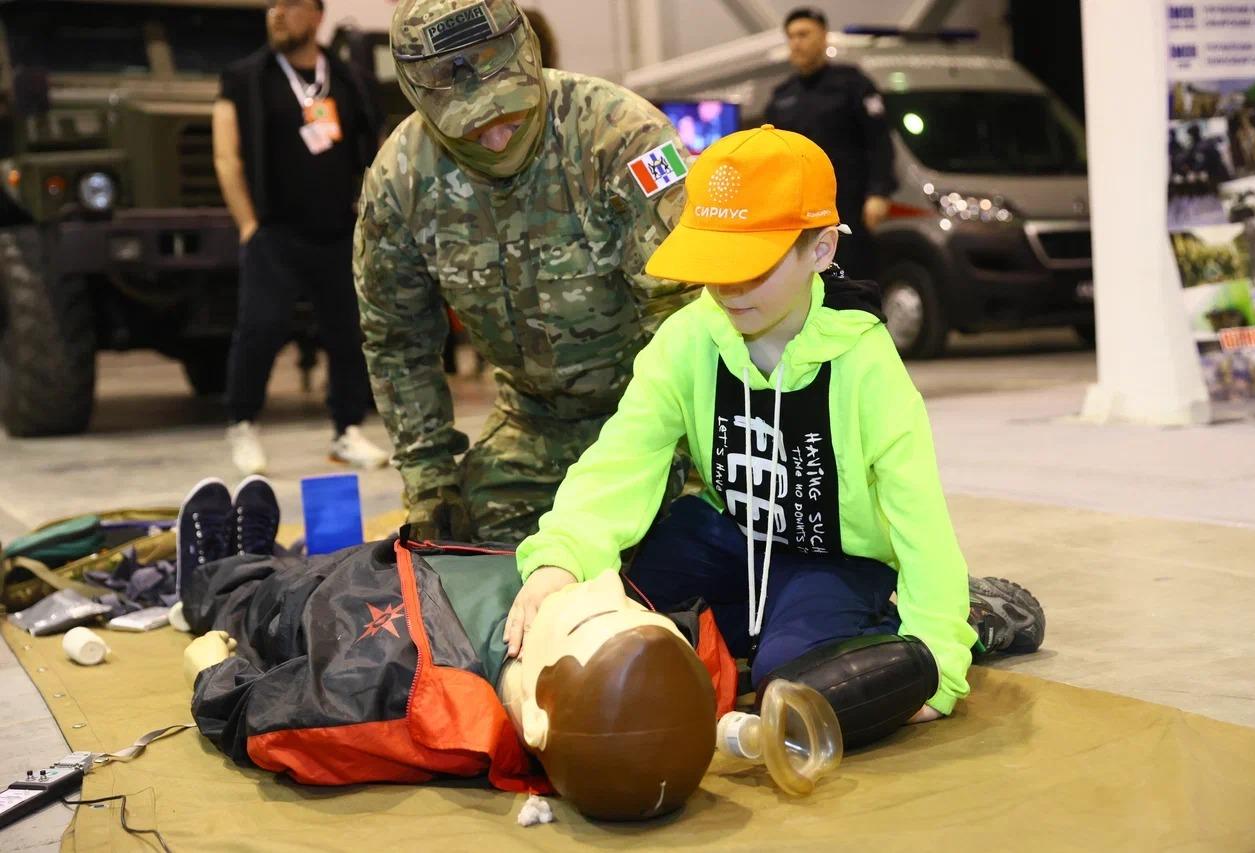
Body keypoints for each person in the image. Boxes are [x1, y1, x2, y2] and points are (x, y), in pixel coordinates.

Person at [509, 127, 1045, 747]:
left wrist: (941, 666)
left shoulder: (865, 362)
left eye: (751, 267)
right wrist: (559, 562)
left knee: (790, 688)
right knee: (622, 610)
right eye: (714, 265)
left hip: (833, 555)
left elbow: (918, 519)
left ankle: (963, 614)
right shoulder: (687, 340)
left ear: (818, 250)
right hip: (733, 534)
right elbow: (621, 462)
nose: (728, 289)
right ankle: (757, 628)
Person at [175, 477, 729, 820]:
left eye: (593, 616)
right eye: (634, 608)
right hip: (427, 559)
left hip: (331, 608)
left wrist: (213, 674)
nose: (608, 584)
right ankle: (255, 558)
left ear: (537, 717)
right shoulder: (676, 670)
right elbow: (700, 665)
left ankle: (212, 574)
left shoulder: (395, 700)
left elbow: (269, 725)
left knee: (253, 597)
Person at [353, 0, 697, 543]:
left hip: (660, 423)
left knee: (682, 567)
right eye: (469, 128)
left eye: (508, 116)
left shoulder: (621, 135)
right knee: (466, 567)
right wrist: (430, 483)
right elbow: (398, 343)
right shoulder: (400, 181)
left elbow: (687, 314)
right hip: (534, 426)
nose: (494, 139)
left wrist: (698, 464)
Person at [213, 0, 389, 475]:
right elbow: (226, 156)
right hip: (274, 231)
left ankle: (347, 429)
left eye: (288, 5)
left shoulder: (347, 78)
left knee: (346, 331)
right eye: (271, 6)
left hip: (336, 230)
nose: (275, 13)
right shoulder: (246, 77)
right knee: (260, 329)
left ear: (315, 14)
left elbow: (370, 147)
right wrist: (248, 224)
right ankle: (244, 422)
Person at [764, 7, 896, 281]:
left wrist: (879, 193)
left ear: (823, 37)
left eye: (803, 34)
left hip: (849, 205)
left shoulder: (853, 84)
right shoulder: (782, 95)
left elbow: (879, 140)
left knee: (853, 280)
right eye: (791, 36)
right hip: (798, 210)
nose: (796, 43)